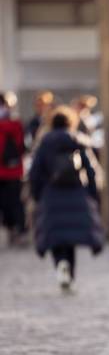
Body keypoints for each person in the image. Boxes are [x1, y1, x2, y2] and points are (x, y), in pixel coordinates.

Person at [29, 105, 104, 292]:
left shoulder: (45, 143)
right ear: (71, 122)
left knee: (56, 236)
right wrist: (93, 194)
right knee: (70, 238)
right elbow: (91, 170)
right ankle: (69, 276)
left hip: (51, 196)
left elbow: (35, 172)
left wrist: (37, 194)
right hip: (76, 194)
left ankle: (60, 265)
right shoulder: (78, 140)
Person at [0, 93, 27, 245]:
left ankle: (18, 230)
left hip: (11, 170)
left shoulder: (15, 124)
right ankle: (14, 230)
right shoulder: (16, 123)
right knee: (10, 203)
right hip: (12, 170)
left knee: (14, 203)